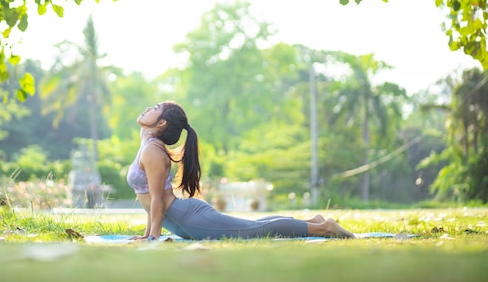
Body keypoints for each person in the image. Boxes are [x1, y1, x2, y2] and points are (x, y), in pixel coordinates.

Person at [126, 101, 355, 241]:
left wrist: (153, 238)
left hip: (190, 219)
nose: (147, 109)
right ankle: (312, 221)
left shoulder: (153, 152)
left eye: (154, 108)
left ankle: (325, 228)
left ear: (162, 123)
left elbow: (156, 199)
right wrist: (148, 235)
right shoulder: (149, 147)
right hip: (185, 221)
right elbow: (150, 201)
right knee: (251, 227)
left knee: (254, 230)